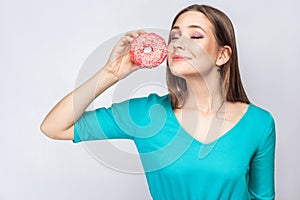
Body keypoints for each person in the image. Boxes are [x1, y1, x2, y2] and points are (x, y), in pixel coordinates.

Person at [40, 4, 276, 200]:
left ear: (222, 55)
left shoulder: (259, 123)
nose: (178, 43)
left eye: (195, 36)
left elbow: (262, 198)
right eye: (174, 36)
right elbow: (54, 127)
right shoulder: (145, 114)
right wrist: (112, 72)